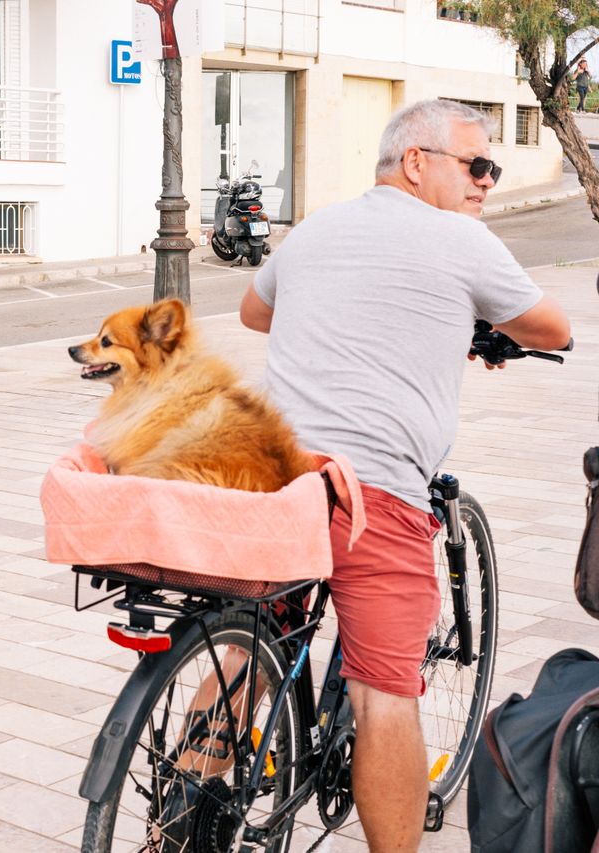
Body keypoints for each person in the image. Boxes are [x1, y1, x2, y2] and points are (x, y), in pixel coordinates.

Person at [238, 98, 570, 851]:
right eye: (476, 163)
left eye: (494, 166)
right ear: (416, 162)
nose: (488, 179)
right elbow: (554, 328)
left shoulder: (315, 226)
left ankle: (181, 819)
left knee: (245, 652)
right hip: (373, 497)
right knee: (385, 691)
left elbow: (253, 312)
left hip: (270, 488)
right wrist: (480, 325)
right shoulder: (463, 238)